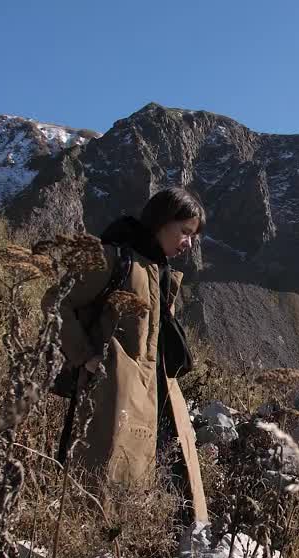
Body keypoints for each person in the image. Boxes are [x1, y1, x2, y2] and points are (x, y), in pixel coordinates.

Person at [54, 187, 208, 524]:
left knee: (170, 476)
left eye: (193, 236)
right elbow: (57, 301)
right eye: (185, 231)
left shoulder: (159, 270)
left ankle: (161, 548)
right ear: (161, 222)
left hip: (160, 391)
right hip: (118, 391)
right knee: (107, 476)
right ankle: (95, 545)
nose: (189, 243)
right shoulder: (114, 259)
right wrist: (85, 356)